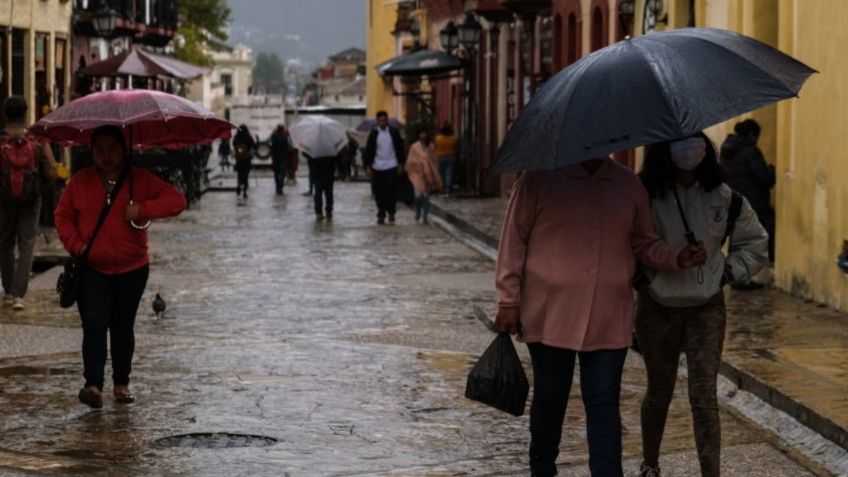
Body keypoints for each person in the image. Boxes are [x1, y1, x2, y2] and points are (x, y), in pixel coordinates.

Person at [495, 157, 707, 477]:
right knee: (551, 399)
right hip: (550, 314)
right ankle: (542, 470)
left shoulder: (628, 185)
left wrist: (675, 257)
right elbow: (513, 240)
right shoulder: (537, 180)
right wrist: (508, 300)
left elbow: (643, 242)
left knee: (604, 403)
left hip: (609, 313)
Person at [636, 134, 768, 477]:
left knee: (704, 396)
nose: (688, 148)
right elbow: (627, 244)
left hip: (706, 307)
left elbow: (755, 244)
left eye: (694, 139)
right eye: (678, 141)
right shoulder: (644, 198)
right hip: (657, 307)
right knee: (658, 391)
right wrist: (644, 281)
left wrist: (725, 273)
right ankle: (650, 463)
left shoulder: (725, 198)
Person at [54, 125, 186, 409]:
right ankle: (93, 384)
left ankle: (121, 382)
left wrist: (143, 210)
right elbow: (62, 216)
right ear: (92, 152)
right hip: (93, 269)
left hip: (132, 267)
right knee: (94, 325)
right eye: (99, 150)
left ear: (123, 150)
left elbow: (177, 200)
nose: (106, 156)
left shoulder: (138, 180)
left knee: (122, 326)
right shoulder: (80, 182)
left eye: (112, 149)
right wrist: (77, 246)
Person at [0, 96, 58, 310]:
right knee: (27, 246)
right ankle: (18, 295)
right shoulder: (37, 139)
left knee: (5, 245)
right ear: (26, 113)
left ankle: (7, 292)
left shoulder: (1, 139)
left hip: (4, 200)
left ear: (6, 114)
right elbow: (52, 170)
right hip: (32, 200)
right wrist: (38, 187)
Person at [720, 119, 776, 263]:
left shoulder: (727, 149)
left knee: (736, 237)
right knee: (753, 238)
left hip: (731, 200)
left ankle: (734, 273)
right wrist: (771, 169)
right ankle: (742, 276)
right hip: (752, 203)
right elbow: (764, 177)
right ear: (752, 134)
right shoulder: (751, 152)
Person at [363, 111, 404, 225]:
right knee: (379, 191)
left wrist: (401, 164)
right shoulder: (374, 134)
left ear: (387, 120)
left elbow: (400, 148)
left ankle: (391, 211)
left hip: (392, 165)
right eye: (380, 120)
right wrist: (368, 166)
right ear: (377, 121)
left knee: (391, 189)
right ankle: (381, 213)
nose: (383, 122)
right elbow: (368, 151)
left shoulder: (394, 132)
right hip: (377, 166)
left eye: (384, 120)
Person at [405, 129, 442, 224]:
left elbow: (434, 160)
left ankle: (425, 216)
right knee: (418, 196)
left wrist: (433, 172)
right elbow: (410, 160)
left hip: (428, 174)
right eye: (421, 133)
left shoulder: (431, 146)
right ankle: (418, 210)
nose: (423, 135)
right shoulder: (414, 147)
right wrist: (418, 165)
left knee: (426, 196)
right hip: (417, 173)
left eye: (425, 133)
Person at [306, 152, 340, 221]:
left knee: (319, 193)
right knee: (328, 194)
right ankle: (328, 211)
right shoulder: (330, 149)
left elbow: (308, 158)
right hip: (328, 174)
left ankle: (319, 212)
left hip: (318, 174)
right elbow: (337, 159)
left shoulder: (314, 149)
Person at [434, 123, 459, 196]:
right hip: (451, 157)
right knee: (449, 174)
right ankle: (448, 190)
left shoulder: (438, 138)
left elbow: (435, 146)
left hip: (441, 157)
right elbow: (457, 147)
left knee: (442, 174)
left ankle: (443, 187)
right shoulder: (453, 138)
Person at [232, 125, 255, 199]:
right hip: (247, 159)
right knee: (246, 174)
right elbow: (253, 145)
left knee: (239, 173)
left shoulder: (237, 137)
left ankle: (238, 185)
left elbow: (234, 144)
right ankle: (245, 190)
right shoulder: (248, 137)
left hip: (239, 159)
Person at [269, 125, 291, 195]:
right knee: (282, 173)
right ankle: (280, 187)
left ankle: (277, 187)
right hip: (283, 158)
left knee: (276, 173)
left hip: (275, 158)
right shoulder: (285, 137)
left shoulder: (273, 136)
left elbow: (270, 145)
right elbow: (288, 148)